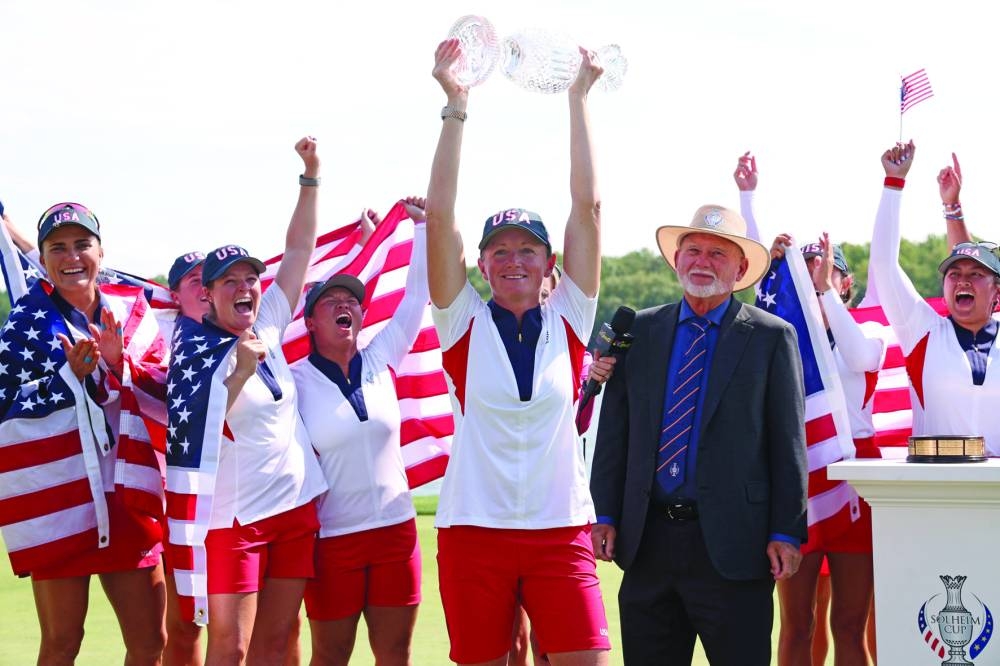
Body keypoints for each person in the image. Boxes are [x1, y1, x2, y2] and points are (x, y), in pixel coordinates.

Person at [425, 38, 610, 666]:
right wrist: (456, 105)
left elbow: (586, 208)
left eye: (526, 249)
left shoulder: (572, 316)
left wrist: (578, 99)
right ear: (480, 264)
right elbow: (442, 215)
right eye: (498, 251)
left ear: (548, 262)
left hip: (561, 533)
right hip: (474, 532)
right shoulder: (461, 323)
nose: (512, 260)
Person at [590, 205, 808, 665]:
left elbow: (787, 443)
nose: (702, 262)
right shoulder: (641, 331)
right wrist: (605, 511)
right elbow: (615, 432)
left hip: (735, 549)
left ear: (741, 267)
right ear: (677, 260)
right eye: (692, 251)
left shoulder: (771, 337)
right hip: (648, 543)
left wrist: (787, 530)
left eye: (716, 253)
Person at [164, 136, 327, 665]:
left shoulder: (271, 320)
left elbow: (300, 249)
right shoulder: (194, 350)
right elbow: (199, 427)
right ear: (207, 295)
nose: (244, 288)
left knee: (277, 643)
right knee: (231, 649)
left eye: (250, 279)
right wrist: (238, 369)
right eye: (228, 281)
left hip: (295, 510)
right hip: (235, 523)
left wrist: (310, 176)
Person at [0, 202, 167, 665]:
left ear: (100, 249)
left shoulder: (133, 311)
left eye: (81, 244)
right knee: (61, 641)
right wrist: (66, 378)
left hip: (127, 492)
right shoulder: (25, 323)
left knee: (150, 642)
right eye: (58, 247)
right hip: (62, 496)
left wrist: (118, 364)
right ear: (45, 258)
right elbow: (5, 403)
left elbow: (163, 383)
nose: (71, 256)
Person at [290, 196, 428, 666]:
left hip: (396, 532)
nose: (345, 305)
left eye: (352, 300)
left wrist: (424, 230)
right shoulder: (293, 382)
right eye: (331, 302)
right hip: (333, 539)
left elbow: (415, 298)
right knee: (331, 656)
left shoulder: (380, 355)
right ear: (310, 321)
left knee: (395, 655)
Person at [769, 234, 884, 666]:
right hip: (802, 476)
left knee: (850, 625)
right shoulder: (784, 338)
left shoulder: (867, 329)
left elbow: (860, 358)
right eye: (805, 267)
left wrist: (822, 292)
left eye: (824, 267)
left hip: (856, 480)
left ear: (846, 282)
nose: (812, 274)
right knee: (798, 624)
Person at [870, 141, 1000, 455]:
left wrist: (954, 207)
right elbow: (884, 266)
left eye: (975, 275)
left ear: (997, 290)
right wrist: (894, 182)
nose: (962, 281)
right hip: (936, 493)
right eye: (954, 274)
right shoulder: (923, 331)